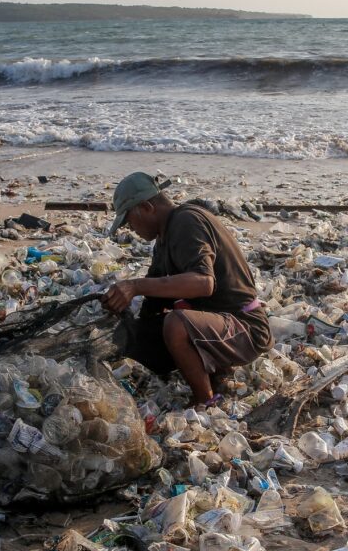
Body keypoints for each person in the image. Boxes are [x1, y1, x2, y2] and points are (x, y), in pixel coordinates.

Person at [102, 172, 273, 406]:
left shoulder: (186, 221)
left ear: (146, 207)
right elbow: (154, 298)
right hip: (220, 323)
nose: (130, 228)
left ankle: (206, 401)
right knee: (145, 330)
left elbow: (203, 283)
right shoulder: (164, 238)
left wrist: (135, 286)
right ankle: (214, 370)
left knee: (176, 324)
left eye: (129, 220)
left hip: (247, 328)